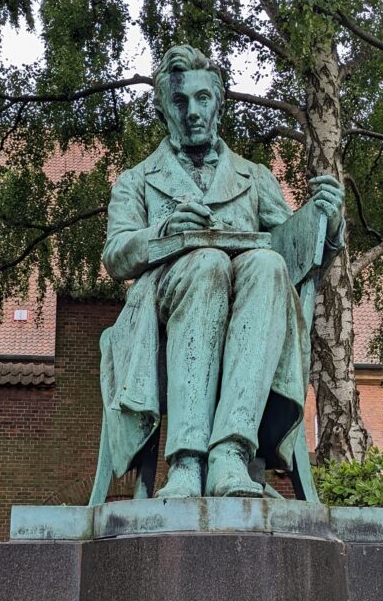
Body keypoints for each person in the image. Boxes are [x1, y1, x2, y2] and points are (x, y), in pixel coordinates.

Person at [100, 45, 345, 498]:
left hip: (246, 312)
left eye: (203, 99)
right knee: (207, 263)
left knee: (268, 265)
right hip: (163, 313)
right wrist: (164, 231)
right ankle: (187, 462)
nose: (193, 112)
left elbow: (293, 251)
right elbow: (116, 255)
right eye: (179, 101)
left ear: (219, 104)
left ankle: (231, 453)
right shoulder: (138, 179)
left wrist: (325, 222)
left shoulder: (253, 178)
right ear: (163, 110)